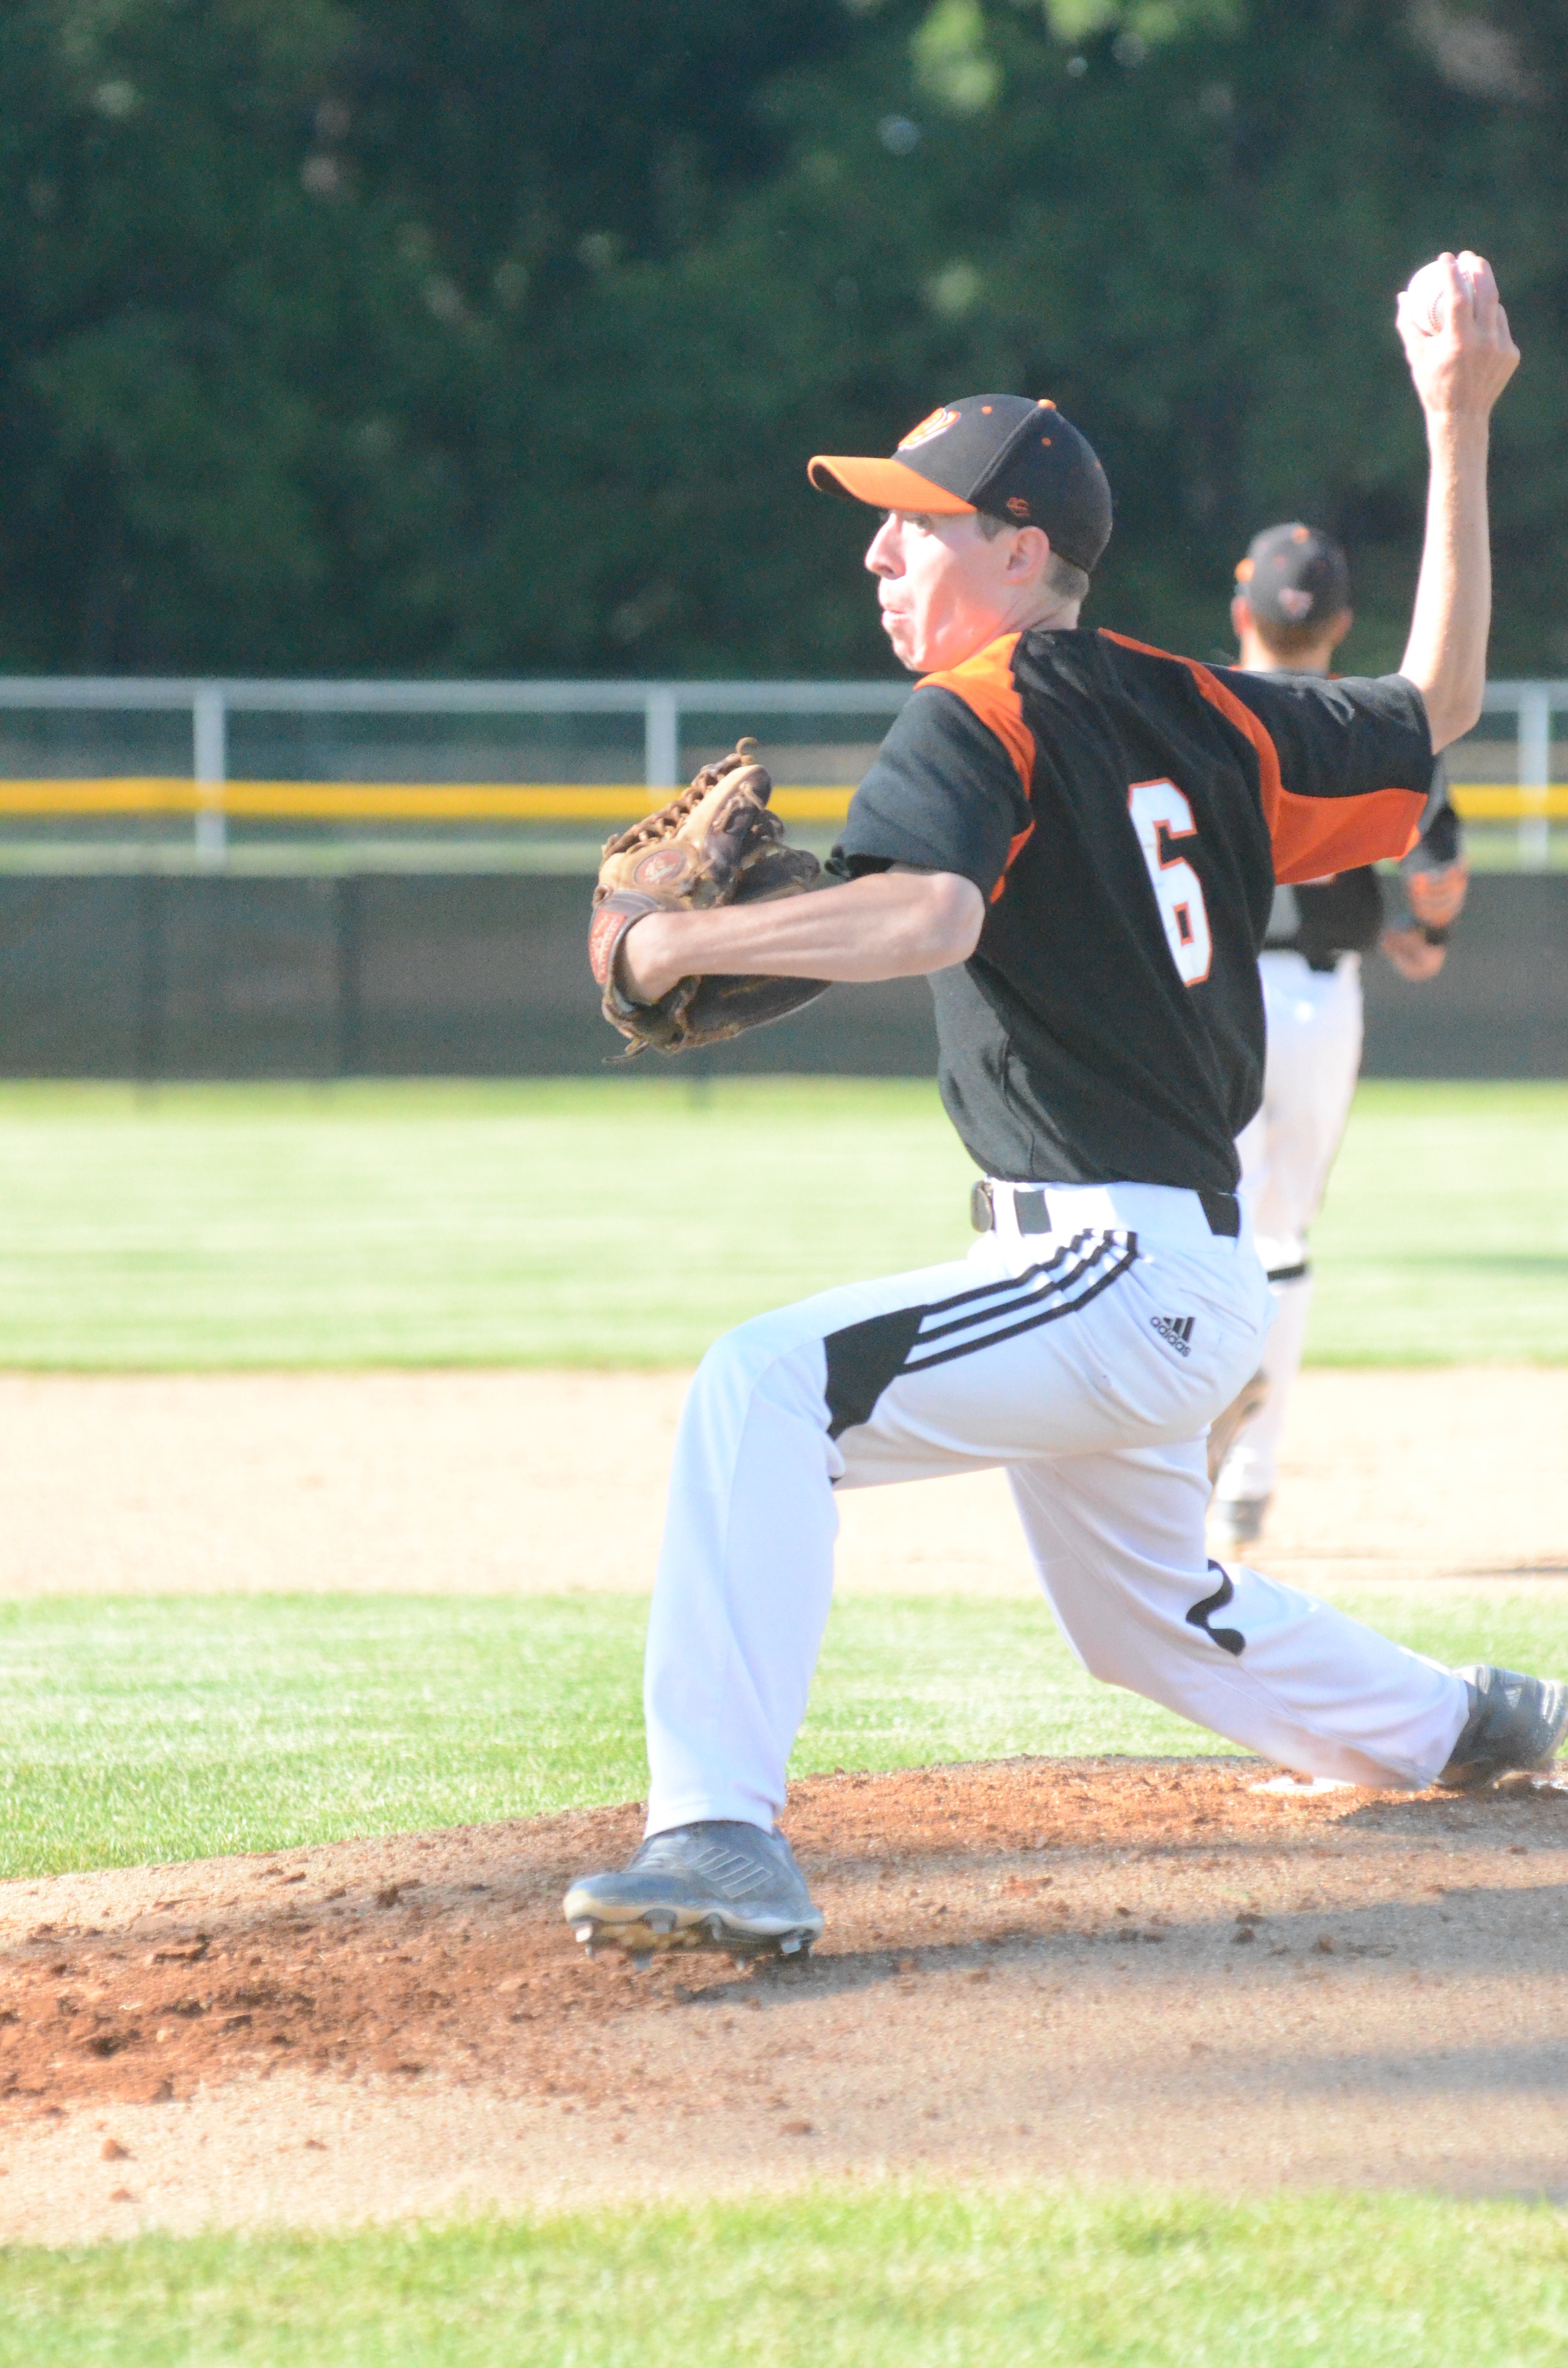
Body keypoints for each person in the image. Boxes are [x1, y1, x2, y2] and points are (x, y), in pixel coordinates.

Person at [565, 255, 1558, 1965]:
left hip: (1110, 1264)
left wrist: (674, 938)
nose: (882, 549)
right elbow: (1439, 709)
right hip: (1176, 1275)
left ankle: (717, 1832)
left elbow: (932, 915)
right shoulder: (1204, 705)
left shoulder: (979, 702)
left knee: (762, 1384)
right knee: (1144, 1621)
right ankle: (1471, 1718)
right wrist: (1456, 423)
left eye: (920, 522)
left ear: (1019, 548)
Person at [1208, 525, 1471, 1551]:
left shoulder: (1199, 708)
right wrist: (1424, 929)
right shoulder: (1376, 723)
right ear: (1345, 624)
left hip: (1211, 996)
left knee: (1208, 1224)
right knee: (1283, 1238)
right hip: (1321, 1003)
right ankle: (1250, 1482)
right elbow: (1436, 869)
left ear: (1243, 616)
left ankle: (1189, 1449)